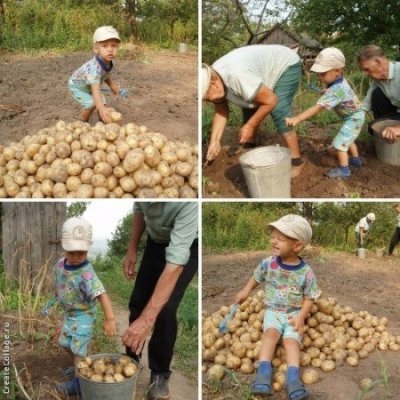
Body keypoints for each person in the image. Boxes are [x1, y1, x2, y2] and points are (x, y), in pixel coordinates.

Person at [234, 214, 321, 400]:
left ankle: (292, 379)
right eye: (273, 236)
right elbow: (256, 277)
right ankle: (263, 374)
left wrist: (301, 317)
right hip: (273, 311)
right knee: (270, 335)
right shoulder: (268, 263)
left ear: (297, 246)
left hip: (293, 313)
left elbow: (310, 297)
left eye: (280, 239)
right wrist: (245, 291)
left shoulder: (306, 272)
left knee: (291, 342)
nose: (273, 241)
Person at [121, 202, 198, 400]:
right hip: (155, 243)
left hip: (185, 244)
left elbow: (175, 264)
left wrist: (148, 320)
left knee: (164, 309)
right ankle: (131, 358)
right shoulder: (142, 184)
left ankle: (160, 373)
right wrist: (132, 249)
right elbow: (139, 209)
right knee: (138, 302)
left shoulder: (189, 205)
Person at [202, 45, 306, 177]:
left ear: (214, 84)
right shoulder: (214, 78)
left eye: (207, 97)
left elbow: (271, 100)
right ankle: (250, 144)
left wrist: (250, 125)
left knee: (279, 110)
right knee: (248, 101)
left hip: (285, 64)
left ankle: (297, 161)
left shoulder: (237, 76)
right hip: (257, 70)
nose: (208, 101)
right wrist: (214, 141)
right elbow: (221, 111)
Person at [53, 217, 116, 395]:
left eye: (81, 253)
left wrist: (110, 319)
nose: (75, 257)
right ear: (64, 247)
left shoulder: (87, 273)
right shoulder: (60, 264)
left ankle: (80, 384)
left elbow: (102, 295)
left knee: (79, 350)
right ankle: (78, 367)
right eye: (71, 252)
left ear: (88, 249)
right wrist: (56, 297)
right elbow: (60, 281)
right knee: (64, 342)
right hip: (70, 314)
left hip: (84, 315)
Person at [286, 47, 365, 178]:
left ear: (338, 71)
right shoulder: (340, 82)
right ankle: (356, 161)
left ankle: (344, 170)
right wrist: (326, 92)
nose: (320, 77)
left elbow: (318, 108)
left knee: (339, 143)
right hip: (355, 116)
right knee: (348, 139)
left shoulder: (336, 89)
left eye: (323, 74)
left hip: (353, 118)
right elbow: (336, 93)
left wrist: (298, 118)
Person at [68, 26, 121, 123]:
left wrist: (112, 85)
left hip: (88, 85)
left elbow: (105, 74)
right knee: (92, 103)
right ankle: (82, 122)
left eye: (113, 45)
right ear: (96, 49)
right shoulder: (94, 68)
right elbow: (95, 89)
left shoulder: (108, 62)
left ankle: (103, 120)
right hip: (77, 86)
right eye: (105, 46)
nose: (110, 49)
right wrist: (100, 109)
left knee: (102, 102)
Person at [357, 45, 400, 142]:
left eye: (366, 69)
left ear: (378, 62)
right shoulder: (377, 81)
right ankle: (388, 135)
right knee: (373, 127)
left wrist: (398, 129)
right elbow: (365, 105)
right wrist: (350, 122)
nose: (365, 73)